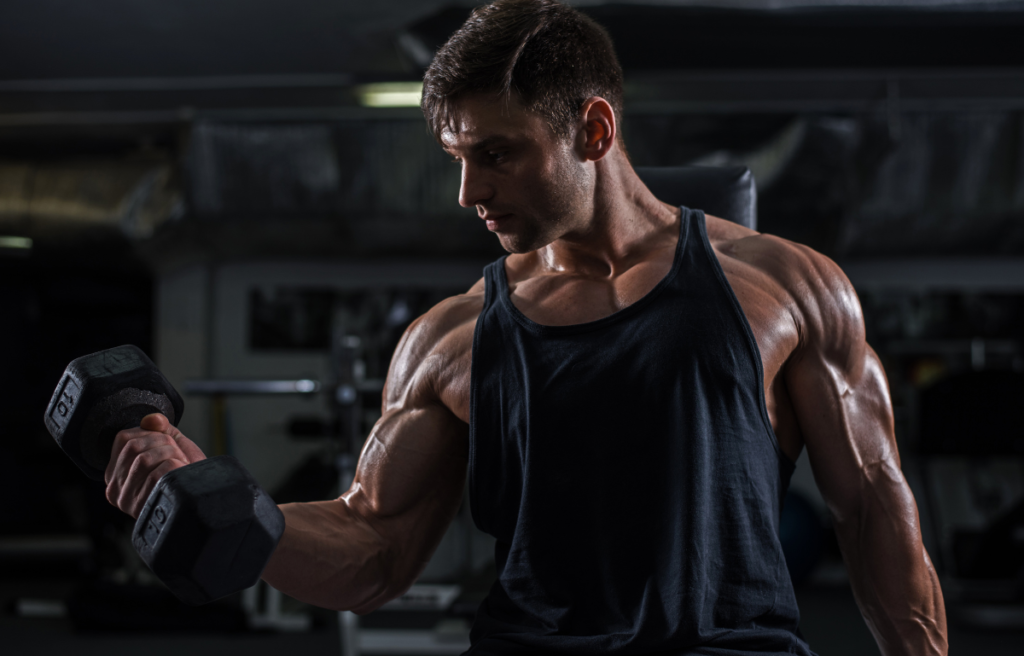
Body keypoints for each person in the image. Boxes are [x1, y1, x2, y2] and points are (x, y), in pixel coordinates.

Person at [104, 1, 947, 653]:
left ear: (594, 128)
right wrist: (230, 503)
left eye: (497, 154)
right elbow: (375, 545)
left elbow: (874, 511)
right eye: (457, 159)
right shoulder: (451, 339)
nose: (468, 192)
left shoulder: (783, 286)